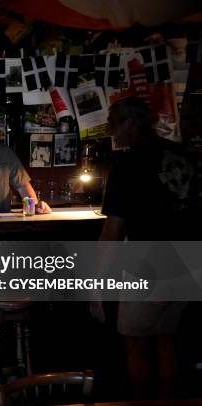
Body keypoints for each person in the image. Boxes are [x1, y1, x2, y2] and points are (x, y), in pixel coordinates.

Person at [92, 97, 199, 398]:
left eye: (114, 124)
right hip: (188, 258)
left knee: (134, 341)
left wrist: (96, 283)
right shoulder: (182, 154)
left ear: (130, 123)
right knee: (166, 339)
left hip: (149, 262)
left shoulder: (128, 164)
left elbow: (113, 229)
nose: (112, 131)